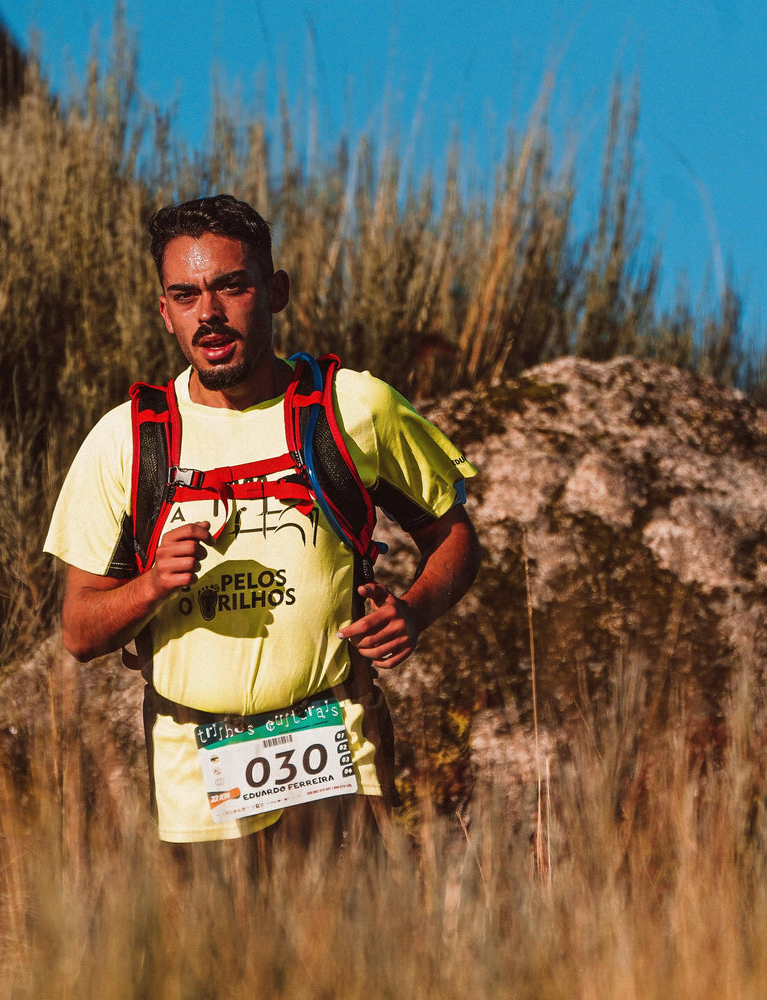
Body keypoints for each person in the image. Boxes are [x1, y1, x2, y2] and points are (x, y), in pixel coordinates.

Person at [43, 194, 480, 846]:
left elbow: (455, 538)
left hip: (335, 751)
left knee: (350, 947)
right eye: (186, 296)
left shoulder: (353, 407)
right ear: (165, 314)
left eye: (231, 287)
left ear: (274, 291)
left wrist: (413, 611)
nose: (209, 314)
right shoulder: (126, 441)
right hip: (193, 778)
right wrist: (151, 585)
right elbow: (78, 630)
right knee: (219, 953)